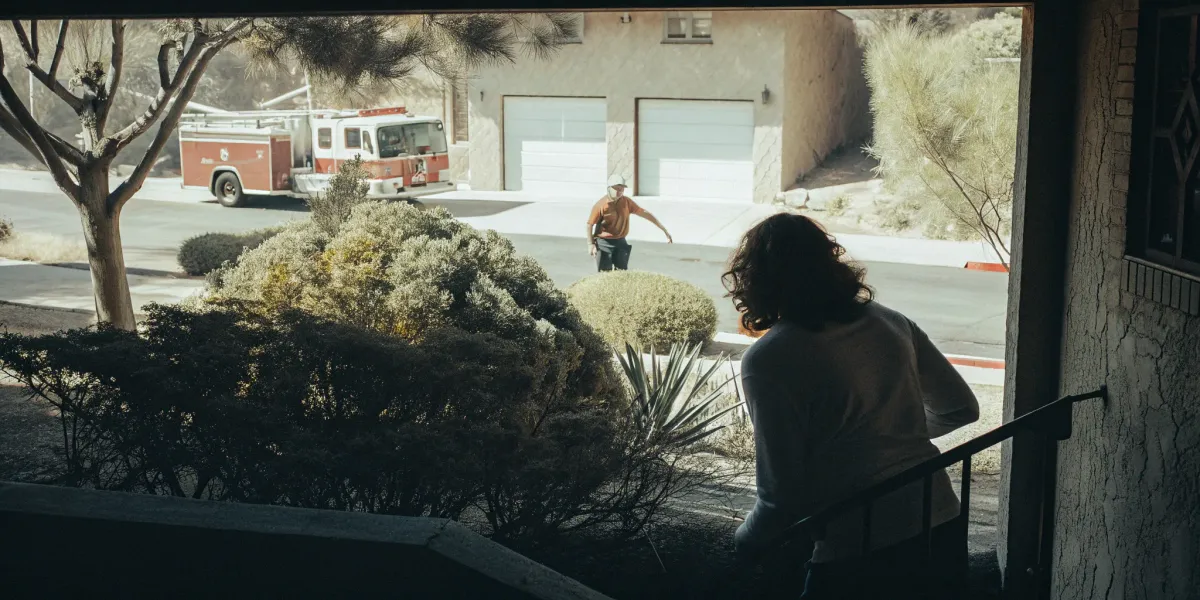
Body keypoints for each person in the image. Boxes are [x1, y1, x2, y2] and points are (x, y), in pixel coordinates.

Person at [723, 213, 980, 600]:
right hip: (938, 514)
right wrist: (888, 436)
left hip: (859, 541)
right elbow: (961, 408)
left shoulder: (769, 358)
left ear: (756, 279)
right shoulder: (891, 322)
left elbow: (782, 497)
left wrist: (744, 541)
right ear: (831, 261)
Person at [586, 175, 672, 271]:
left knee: (622, 272)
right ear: (609, 188)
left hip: (620, 241)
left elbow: (643, 213)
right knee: (605, 273)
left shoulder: (626, 202)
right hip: (604, 243)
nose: (620, 192)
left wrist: (663, 229)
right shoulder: (601, 205)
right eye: (617, 189)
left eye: (622, 189)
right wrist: (591, 244)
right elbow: (590, 224)